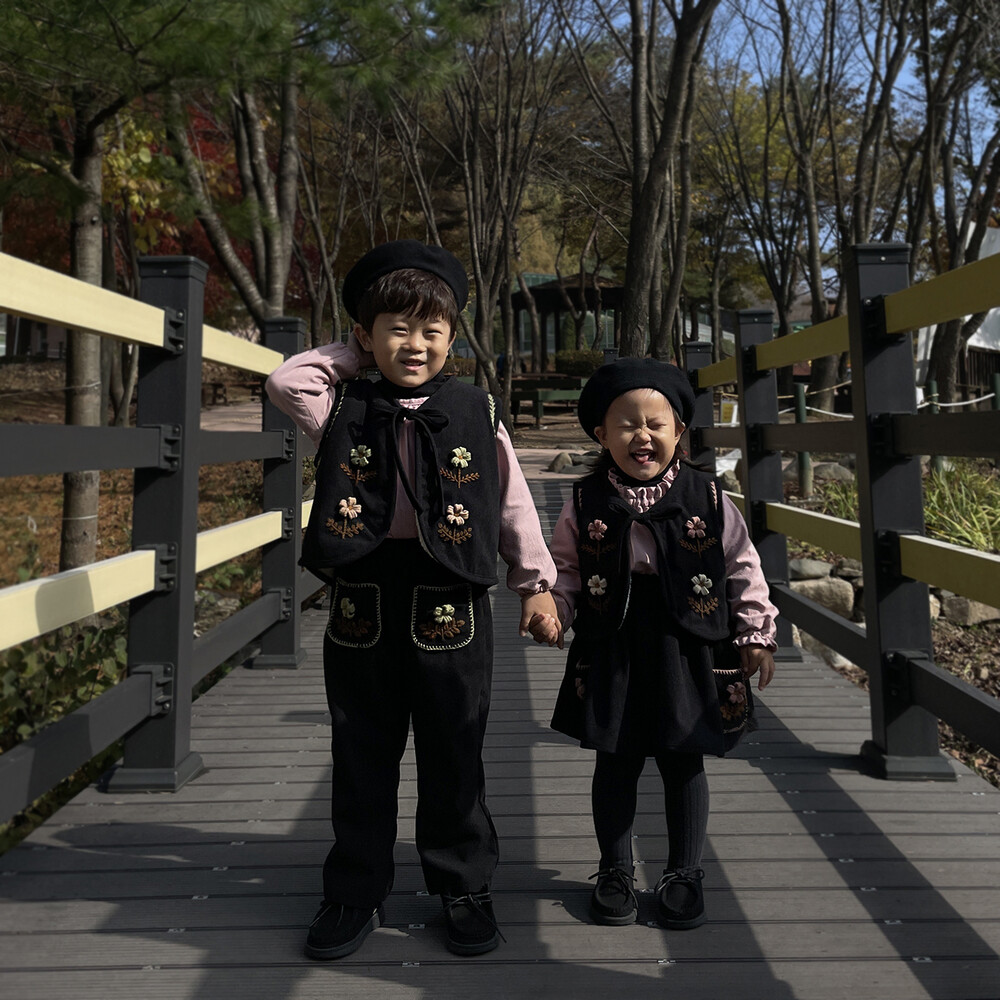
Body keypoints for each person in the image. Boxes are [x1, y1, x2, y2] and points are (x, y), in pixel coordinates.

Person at [265, 240, 560, 960]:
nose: (415, 344)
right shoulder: (341, 405)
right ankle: (355, 889)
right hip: (364, 594)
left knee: (454, 747)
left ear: (453, 338)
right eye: (396, 329)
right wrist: (355, 357)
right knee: (361, 747)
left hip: (451, 592)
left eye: (432, 330)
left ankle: (462, 884)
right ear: (366, 336)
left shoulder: (475, 408)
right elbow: (285, 380)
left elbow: (511, 499)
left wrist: (535, 585)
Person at [527, 357, 777, 931]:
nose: (642, 436)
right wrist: (555, 608)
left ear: (678, 431)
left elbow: (741, 565)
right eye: (626, 425)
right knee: (615, 758)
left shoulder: (708, 497)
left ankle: (683, 871)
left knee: (683, 758)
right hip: (613, 640)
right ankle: (615, 869)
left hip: (688, 640)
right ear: (601, 434)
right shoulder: (585, 500)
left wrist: (755, 632)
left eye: (656, 424)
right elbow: (566, 568)